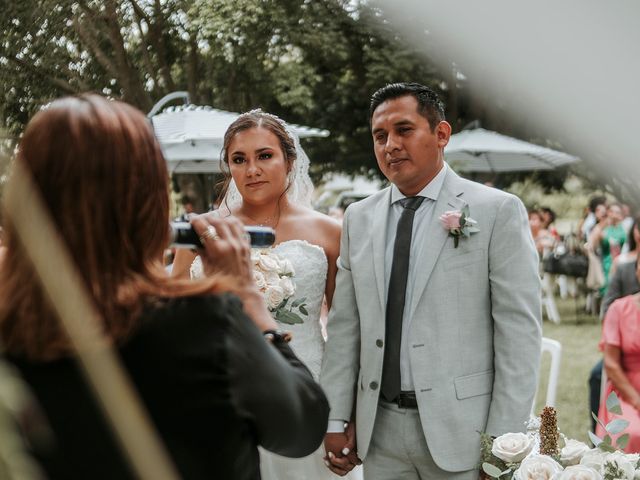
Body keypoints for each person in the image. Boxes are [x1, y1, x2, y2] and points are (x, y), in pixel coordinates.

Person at [0, 95, 329, 480]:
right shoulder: (202, 321)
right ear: (146, 194)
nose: (251, 169)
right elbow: (300, 428)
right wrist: (247, 297)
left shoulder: (11, 327)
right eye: (239, 159)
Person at [320, 82, 542, 479]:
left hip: (466, 432)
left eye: (404, 130)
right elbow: (344, 327)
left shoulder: (496, 211)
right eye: (380, 135)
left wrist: (503, 444)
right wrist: (336, 417)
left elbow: (519, 336)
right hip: (380, 430)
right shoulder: (358, 218)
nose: (390, 145)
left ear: (441, 134)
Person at [172, 109, 348, 480]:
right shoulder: (202, 232)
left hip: (301, 393)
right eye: (239, 159)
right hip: (219, 395)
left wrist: (342, 416)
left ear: (290, 159)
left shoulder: (329, 232)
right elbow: (172, 313)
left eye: (264, 156)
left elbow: (345, 329)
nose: (251, 170)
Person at [588, 216, 640, 431]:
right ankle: (596, 430)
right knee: (597, 374)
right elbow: (609, 302)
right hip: (623, 340)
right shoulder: (623, 264)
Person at [596, 260, 640, 452]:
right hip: (627, 392)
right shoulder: (619, 309)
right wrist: (637, 400)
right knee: (631, 433)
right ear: (637, 272)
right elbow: (611, 364)